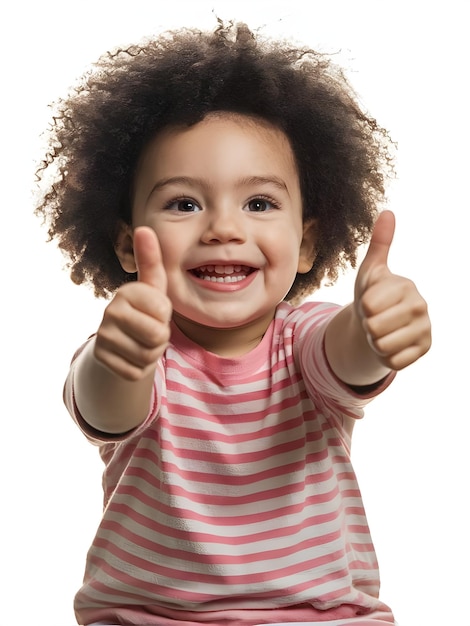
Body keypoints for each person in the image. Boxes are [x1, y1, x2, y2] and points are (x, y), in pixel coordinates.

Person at [35, 20, 431, 626]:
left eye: (260, 203)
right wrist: (119, 358)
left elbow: (346, 355)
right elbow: (107, 405)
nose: (223, 227)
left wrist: (374, 329)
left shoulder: (304, 342)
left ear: (306, 245)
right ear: (123, 244)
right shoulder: (135, 351)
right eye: (184, 203)